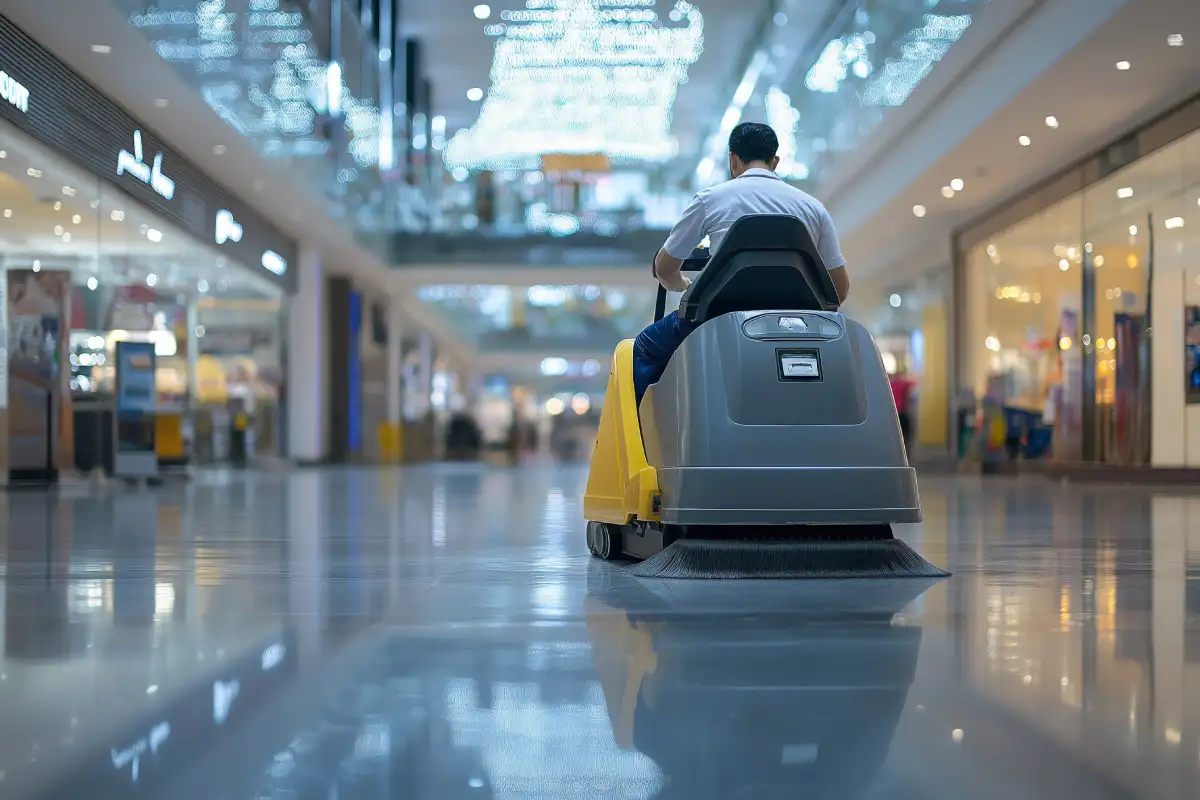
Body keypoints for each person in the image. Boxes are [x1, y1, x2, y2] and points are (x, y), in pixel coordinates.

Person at [633, 121, 851, 402]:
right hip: (795, 325)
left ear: (732, 159)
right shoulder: (813, 208)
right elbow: (840, 290)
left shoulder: (710, 200)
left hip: (715, 321)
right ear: (775, 162)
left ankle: (649, 439)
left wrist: (679, 283)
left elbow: (664, 268)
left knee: (645, 348)